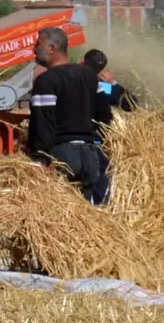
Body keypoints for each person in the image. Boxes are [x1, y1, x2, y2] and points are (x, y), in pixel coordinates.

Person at [27, 27, 106, 204]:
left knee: (59, 216)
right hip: (90, 156)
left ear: (52, 48)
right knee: (86, 213)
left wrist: (39, 159)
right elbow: (105, 116)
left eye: (38, 44)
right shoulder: (90, 77)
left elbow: (43, 123)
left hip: (62, 157)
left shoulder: (46, 81)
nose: (34, 48)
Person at [82, 49, 138, 204]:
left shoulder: (68, 80)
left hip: (66, 142)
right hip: (94, 141)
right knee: (100, 179)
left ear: (82, 61)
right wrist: (114, 83)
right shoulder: (103, 88)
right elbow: (131, 103)